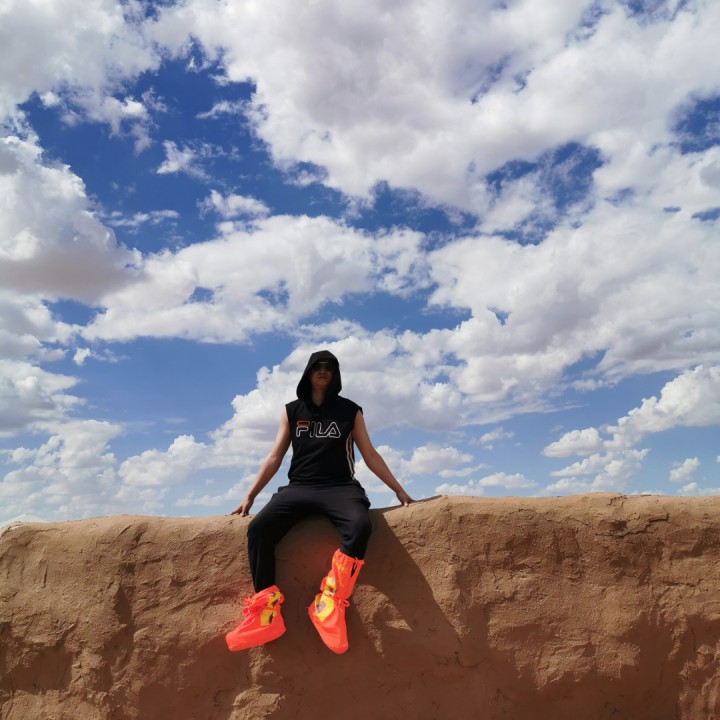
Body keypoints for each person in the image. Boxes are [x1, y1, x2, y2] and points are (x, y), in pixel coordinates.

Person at [225, 350, 413, 654]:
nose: (323, 371)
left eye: (329, 367)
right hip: (299, 487)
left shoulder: (350, 410)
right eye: (318, 367)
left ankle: (328, 603)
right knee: (259, 529)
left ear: (335, 374)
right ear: (308, 372)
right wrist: (250, 496)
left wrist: (398, 490)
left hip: (340, 487)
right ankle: (266, 613)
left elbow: (369, 453)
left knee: (360, 526)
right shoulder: (292, 410)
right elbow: (274, 456)